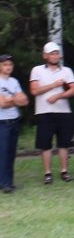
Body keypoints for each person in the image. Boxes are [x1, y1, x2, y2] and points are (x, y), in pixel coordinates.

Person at [30, 42, 74, 184]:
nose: (55, 56)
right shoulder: (37, 70)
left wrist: (58, 96)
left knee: (64, 143)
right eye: (52, 53)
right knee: (45, 144)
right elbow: (34, 90)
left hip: (63, 111)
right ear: (45, 55)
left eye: (57, 53)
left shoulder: (66, 71)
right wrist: (54, 85)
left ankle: (64, 171)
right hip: (44, 111)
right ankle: (47, 173)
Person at [0, 53, 22, 192]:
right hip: (2, 122)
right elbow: (2, 103)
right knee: (3, 152)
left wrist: (11, 100)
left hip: (14, 120)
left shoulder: (14, 82)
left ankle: (8, 180)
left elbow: (24, 100)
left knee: (11, 152)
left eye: (10, 64)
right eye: (5, 64)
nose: (8, 67)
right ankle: (5, 183)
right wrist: (15, 99)